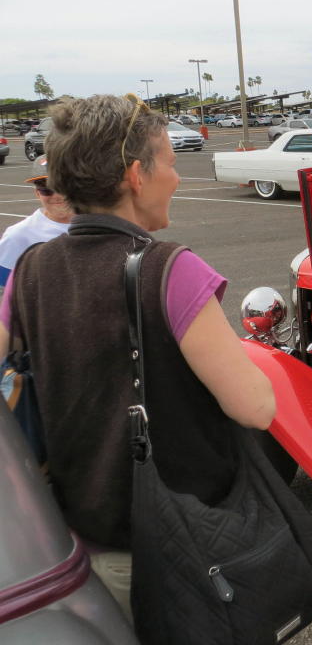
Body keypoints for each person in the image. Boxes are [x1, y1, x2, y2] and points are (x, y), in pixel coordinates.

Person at [0, 94, 275, 619]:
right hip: (176, 545)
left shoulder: (30, 267)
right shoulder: (169, 268)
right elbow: (255, 407)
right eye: (169, 162)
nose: (177, 176)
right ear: (135, 175)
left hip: (76, 543)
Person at [0, 157, 72, 296]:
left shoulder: (98, 225)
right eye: (46, 189)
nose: (57, 195)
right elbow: (6, 291)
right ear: (37, 193)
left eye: (64, 186)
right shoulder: (18, 235)